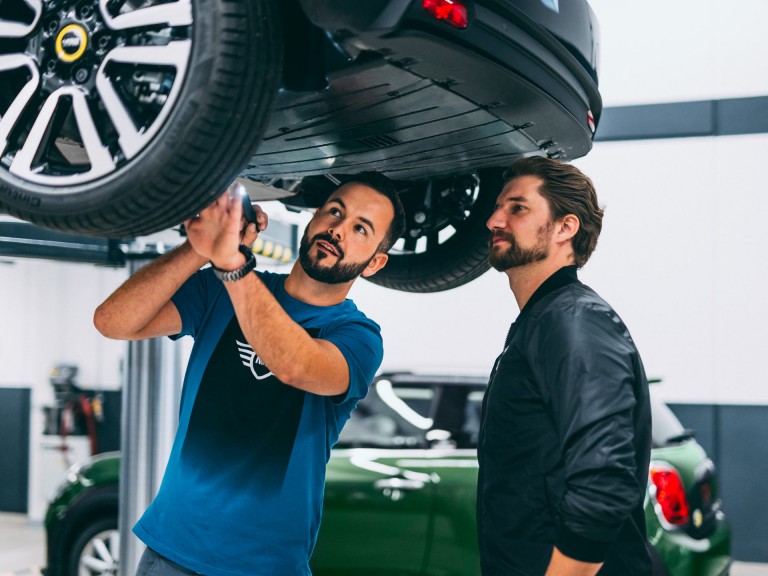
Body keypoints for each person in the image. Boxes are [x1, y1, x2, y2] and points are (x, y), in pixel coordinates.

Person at [94, 173, 405, 576]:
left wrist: (233, 265)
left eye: (360, 228)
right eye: (334, 212)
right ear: (312, 218)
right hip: (172, 553)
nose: (338, 230)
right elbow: (112, 322)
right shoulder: (221, 288)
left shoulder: (358, 338)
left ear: (375, 261)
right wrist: (201, 248)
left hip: (266, 567)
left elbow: (296, 365)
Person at [477, 156, 652, 576]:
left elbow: (604, 476)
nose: (493, 220)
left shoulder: (572, 319)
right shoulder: (544, 319)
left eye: (517, 208)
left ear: (564, 227)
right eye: (498, 206)